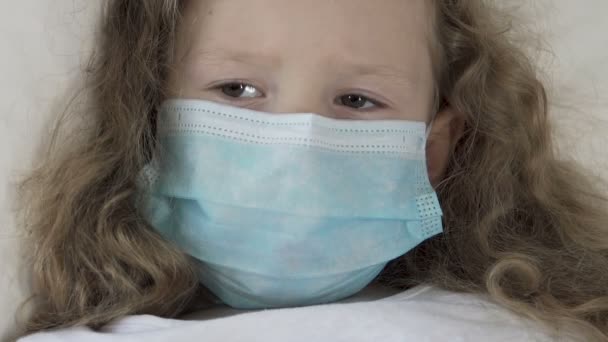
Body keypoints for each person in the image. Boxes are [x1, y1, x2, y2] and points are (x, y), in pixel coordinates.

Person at [15, 0, 608, 341]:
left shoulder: (533, 325)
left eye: (356, 100)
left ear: (435, 147)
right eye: (237, 88)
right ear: (147, 119)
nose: (295, 150)